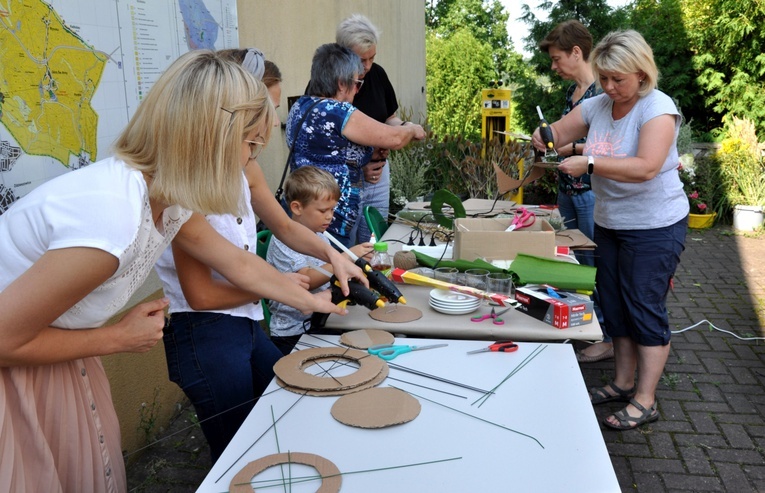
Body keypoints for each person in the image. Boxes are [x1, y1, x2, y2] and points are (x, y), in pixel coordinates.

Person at [0, 49, 363, 492]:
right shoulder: (112, 216)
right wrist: (116, 338)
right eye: (250, 143)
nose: (250, 160)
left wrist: (310, 297)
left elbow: (236, 263)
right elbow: (4, 337)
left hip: (57, 361)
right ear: (209, 136)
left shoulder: (168, 198)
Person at [532, 30, 688, 430]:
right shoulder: (600, 104)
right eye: (603, 78)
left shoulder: (658, 108)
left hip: (654, 225)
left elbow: (647, 166)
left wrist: (591, 163)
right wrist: (545, 135)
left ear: (641, 73)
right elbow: (561, 132)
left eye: (618, 79)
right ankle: (621, 383)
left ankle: (645, 398)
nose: (609, 87)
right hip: (611, 221)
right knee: (615, 304)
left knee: (644, 306)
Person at [154, 49, 298, 462]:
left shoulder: (239, 165)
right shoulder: (185, 182)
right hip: (205, 330)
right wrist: (277, 287)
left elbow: (279, 231)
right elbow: (205, 293)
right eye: (260, 119)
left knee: (281, 405)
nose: (267, 128)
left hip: (244, 324)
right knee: (237, 452)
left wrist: (332, 262)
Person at [287, 42, 426, 248]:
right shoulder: (337, 111)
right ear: (342, 84)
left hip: (306, 214)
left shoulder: (301, 105)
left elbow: (330, 152)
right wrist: (412, 129)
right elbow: (395, 138)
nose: (357, 91)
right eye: (357, 83)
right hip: (331, 220)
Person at [539, 20, 612, 363]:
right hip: (569, 188)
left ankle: (607, 335)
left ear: (577, 52)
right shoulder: (574, 93)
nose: (554, 66)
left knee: (594, 264)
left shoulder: (604, 91)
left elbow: (607, 148)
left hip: (590, 192)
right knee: (576, 263)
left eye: (557, 59)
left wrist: (567, 150)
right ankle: (587, 323)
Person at [267, 166, 373, 355]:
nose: (330, 216)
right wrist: (345, 257)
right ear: (297, 207)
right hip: (292, 331)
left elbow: (328, 272)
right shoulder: (282, 241)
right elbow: (307, 280)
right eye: (323, 210)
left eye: (332, 209)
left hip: (322, 319)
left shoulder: (320, 235)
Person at [336, 14, 407, 244]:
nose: (366, 66)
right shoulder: (330, 82)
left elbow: (390, 118)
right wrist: (359, 166)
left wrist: (405, 128)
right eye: (360, 59)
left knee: (375, 238)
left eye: (372, 58)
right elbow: (329, 137)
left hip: (379, 173)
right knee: (349, 240)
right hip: (348, 174)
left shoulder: (378, 74)